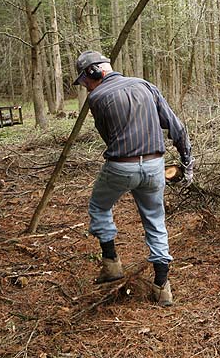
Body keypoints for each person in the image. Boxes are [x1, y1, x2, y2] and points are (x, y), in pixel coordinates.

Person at [73, 50, 194, 306]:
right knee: (155, 220)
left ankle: (112, 265)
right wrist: (187, 163)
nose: (86, 87)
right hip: (154, 166)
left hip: (120, 167)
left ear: (96, 72)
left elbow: (108, 136)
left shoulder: (97, 98)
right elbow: (177, 127)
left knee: (99, 206)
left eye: (85, 80)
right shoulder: (145, 86)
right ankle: (162, 287)